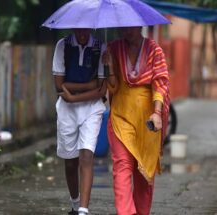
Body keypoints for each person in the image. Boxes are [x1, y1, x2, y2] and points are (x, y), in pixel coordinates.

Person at [103, 26, 170, 215]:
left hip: (147, 118)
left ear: (140, 26)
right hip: (120, 116)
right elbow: (113, 88)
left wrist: (157, 113)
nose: (126, 30)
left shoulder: (154, 49)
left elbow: (160, 82)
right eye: (123, 27)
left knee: (144, 174)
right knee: (122, 165)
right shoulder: (113, 48)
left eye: (130, 26)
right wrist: (108, 67)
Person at [52, 28, 107, 215]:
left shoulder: (101, 48)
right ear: (73, 27)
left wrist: (74, 94)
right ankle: (75, 203)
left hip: (92, 108)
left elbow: (101, 90)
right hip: (67, 110)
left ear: (92, 27)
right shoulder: (63, 46)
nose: (82, 33)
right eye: (78, 29)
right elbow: (59, 85)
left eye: (86, 29)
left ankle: (83, 210)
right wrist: (89, 86)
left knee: (86, 155)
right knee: (70, 161)